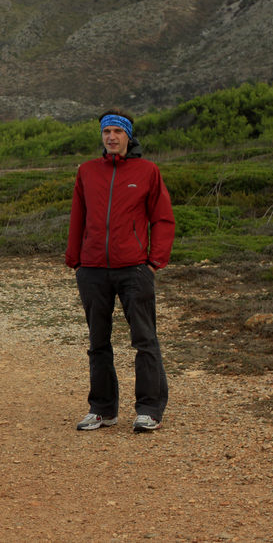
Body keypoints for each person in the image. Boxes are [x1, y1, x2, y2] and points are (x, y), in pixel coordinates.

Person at [65, 109, 175, 432]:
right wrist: (76, 259)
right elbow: (77, 218)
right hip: (93, 269)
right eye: (106, 132)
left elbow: (163, 218)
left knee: (144, 339)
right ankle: (102, 409)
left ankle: (149, 409)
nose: (111, 137)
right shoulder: (86, 172)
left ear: (128, 135)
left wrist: (154, 261)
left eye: (117, 131)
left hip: (135, 269)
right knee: (98, 341)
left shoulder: (148, 171)